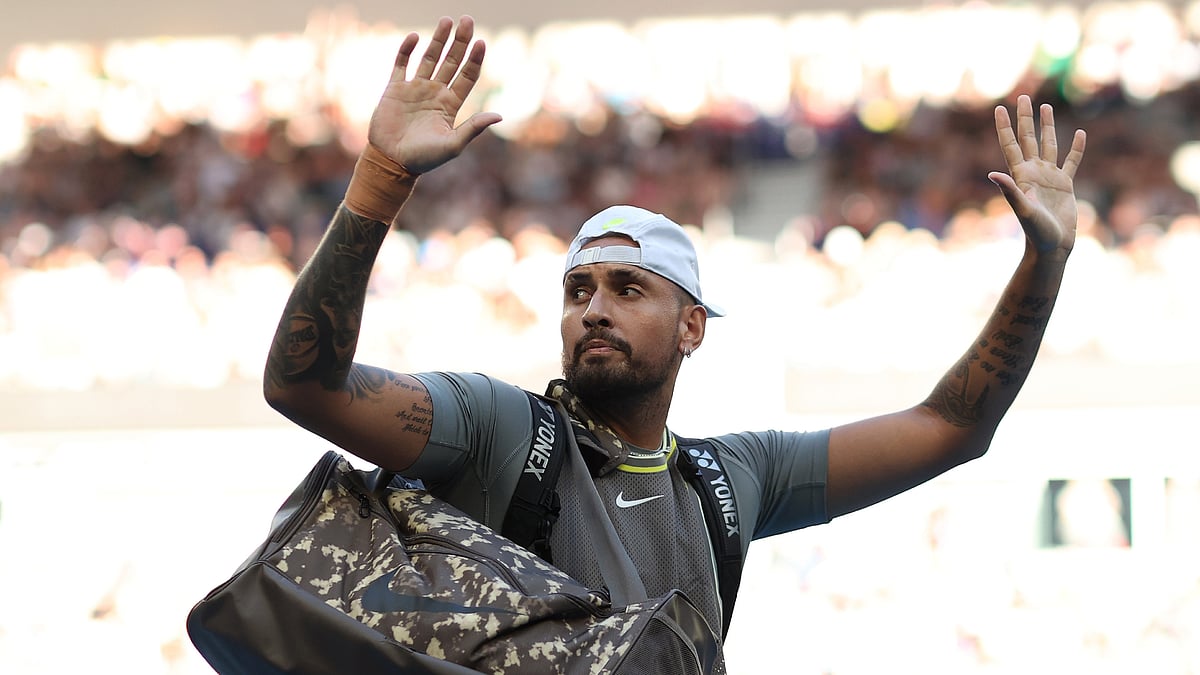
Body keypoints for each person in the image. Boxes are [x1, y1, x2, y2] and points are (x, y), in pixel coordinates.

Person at [263, 14, 1086, 656]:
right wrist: (381, 177)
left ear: (693, 325)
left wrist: (1043, 262)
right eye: (578, 289)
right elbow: (304, 385)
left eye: (628, 288)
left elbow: (952, 427)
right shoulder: (496, 429)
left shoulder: (730, 480)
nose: (593, 308)